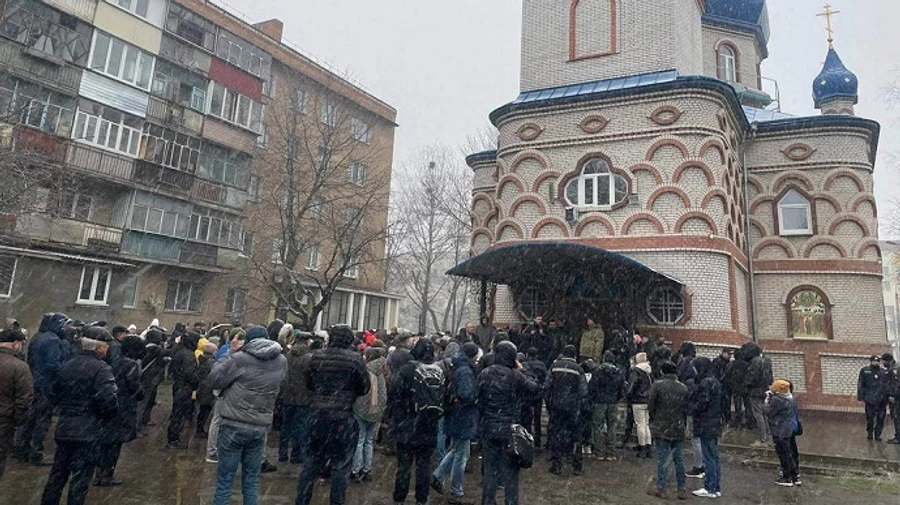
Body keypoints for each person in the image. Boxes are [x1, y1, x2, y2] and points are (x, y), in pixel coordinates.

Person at [208, 324, 286, 505]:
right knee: (251, 480)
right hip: (260, 426)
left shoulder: (240, 359)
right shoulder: (281, 361)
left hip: (234, 423)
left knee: (225, 480)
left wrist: (230, 353)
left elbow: (214, 379)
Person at [40, 327, 118, 505]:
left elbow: (53, 393)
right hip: (89, 432)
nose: (108, 349)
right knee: (81, 480)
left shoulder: (67, 365)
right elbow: (109, 400)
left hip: (65, 428)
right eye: (106, 345)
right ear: (98, 347)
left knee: (57, 475)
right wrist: (106, 417)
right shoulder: (102, 369)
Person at [295, 325, 370, 505]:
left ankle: (302, 501)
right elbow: (364, 387)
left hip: (317, 416)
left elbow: (309, 383)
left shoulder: (316, 357)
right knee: (341, 466)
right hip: (342, 418)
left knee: (310, 464)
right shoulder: (355, 360)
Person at [477, 341, 541, 505]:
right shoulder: (515, 375)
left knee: (490, 471)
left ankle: (488, 502)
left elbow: (479, 399)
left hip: (489, 427)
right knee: (511, 472)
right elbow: (534, 388)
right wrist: (522, 369)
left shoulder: (484, 373)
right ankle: (510, 502)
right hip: (509, 430)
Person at [390, 338, 442, 505]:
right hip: (429, 423)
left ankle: (400, 498)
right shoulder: (439, 370)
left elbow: (394, 393)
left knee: (404, 464)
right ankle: (422, 498)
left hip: (407, 422)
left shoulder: (407, 370)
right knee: (424, 464)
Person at [18, 312, 70, 466]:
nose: (66, 329)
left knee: (31, 418)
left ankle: (23, 448)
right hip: (47, 385)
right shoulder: (53, 340)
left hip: (35, 381)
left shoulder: (38, 337)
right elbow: (54, 365)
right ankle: (36, 453)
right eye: (64, 325)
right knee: (42, 420)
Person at [432, 342, 479, 504]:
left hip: (456, 413)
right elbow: (466, 394)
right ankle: (456, 490)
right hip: (464, 415)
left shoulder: (457, 366)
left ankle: (438, 476)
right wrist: (476, 397)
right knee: (461, 455)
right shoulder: (466, 370)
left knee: (457, 449)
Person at [94, 334, 144, 486]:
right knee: (115, 442)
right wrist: (140, 393)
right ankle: (107, 474)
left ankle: (99, 471)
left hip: (108, 403)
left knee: (104, 440)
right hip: (123, 405)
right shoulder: (131, 365)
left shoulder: (110, 361)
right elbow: (134, 386)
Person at [647, 361, 689, 500]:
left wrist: (653, 420)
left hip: (662, 427)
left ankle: (661, 487)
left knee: (663, 459)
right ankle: (681, 489)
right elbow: (685, 409)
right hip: (677, 427)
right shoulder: (683, 388)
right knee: (679, 459)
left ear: (663, 372)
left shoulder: (657, 386)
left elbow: (651, 406)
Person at [545, 345, 588, 476]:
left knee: (556, 433)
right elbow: (583, 391)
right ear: (575, 355)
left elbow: (547, 386)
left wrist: (549, 404)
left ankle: (556, 465)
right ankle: (577, 466)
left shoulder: (554, 366)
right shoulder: (579, 369)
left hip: (557, 405)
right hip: (573, 407)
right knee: (576, 436)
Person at [351, 343, 387, 482]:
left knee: (359, 440)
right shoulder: (382, 371)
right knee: (369, 440)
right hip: (376, 411)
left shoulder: (367, 369)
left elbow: (362, 390)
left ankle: (356, 470)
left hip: (362, 409)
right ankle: (367, 469)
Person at [688, 357, 723, 498]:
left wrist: (692, 408)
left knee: (708, 456)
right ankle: (715, 487)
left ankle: (710, 488)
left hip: (706, 423)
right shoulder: (714, 381)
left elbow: (702, 404)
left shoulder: (705, 383)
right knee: (714, 457)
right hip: (714, 422)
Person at [0, 328, 31, 480]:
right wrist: (18, 421)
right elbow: (24, 399)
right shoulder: (19, 367)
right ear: (15, 344)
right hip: (4, 421)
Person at [280, 331, 313, 464]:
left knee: (286, 425)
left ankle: (282, 453)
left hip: (288, 395)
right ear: (306, 341)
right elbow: (311, 378)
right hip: (303, 397)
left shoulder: (287, 356)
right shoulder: (309, 358)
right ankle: (296, 454)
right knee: (300, 427)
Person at [166, 331, 201, 449]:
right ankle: (173, 438)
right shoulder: (188, 354)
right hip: (184, 387)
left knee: (177, 411)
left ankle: (173, 437)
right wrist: (196, 383)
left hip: (179, 385)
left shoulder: (180, 351)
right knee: (179, 413)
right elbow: (189, 373)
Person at [588, 350, 623, 461]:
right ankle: (611, 452)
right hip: (613, 402)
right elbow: (621, 388)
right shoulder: (618, 372)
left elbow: (592, 387)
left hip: (599, 402)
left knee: (597, 426)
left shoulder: (598, 371)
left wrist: (593, 398)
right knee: (612, 427)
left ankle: (599, 451)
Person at [766, 379, 800, 486]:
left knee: (783, 455)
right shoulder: (790, 399)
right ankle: (795, 476)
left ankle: (787, 478)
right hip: (788, 429)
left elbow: (768, 412)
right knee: (789, 453)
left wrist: (767, 400)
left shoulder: (777, 400)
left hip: (778, 430)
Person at [137, 328, 166, 434]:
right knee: (143, 403)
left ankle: (142, 422)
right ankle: (138, 426)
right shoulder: (155, 349)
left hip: (145, 377)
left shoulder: (143, 346)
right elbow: (165, 354)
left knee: (146, 402)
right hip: (149, 379)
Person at [744, 342, 773, 447]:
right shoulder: (767, 361)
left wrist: (746, 385)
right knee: (765, 413)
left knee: (758, 414)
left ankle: (763, 439)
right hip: (765, 390)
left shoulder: (754, 362)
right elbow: (770, 379)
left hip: (755, 391)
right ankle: (768, 436)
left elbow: (751, 378)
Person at [520, 347, 548, 451]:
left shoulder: (524, 365)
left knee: (527, 418)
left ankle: (527, 439)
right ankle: (538, 441)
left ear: (527, 355)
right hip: (538, 394)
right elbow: (545, 378)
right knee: (537, 418)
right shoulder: (542, 365)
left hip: (528, 394)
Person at [627, 352, 653, 458]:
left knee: (640, 425)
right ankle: (648, 447)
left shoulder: (635, 371)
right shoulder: (649, 371)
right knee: (646, 424)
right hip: (647, 400)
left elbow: (632, 385)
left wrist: (628, 395)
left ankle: (641, 447)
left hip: (638, 400)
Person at [857, 354, 888, 441]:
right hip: (870, 399)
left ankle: (877, 434)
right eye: (874, 361)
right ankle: (870, 433)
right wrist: (861, 396)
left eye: (878, 361)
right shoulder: (865, 370)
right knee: (870, 418)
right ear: (871, 361)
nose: (876, 362)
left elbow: (886, 385)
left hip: (881, 400)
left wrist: (887, 396)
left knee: (881, 418)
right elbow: (861, 383)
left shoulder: (883, 372)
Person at [196, 342, 218, 438]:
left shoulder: (202, 359)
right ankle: (200, 430)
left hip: (202, 386)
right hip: (208, 388)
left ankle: (199, 428)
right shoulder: (211, 362)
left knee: (202, 409)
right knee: (205, 409)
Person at [711, 348, 733, 426]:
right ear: (724, 353)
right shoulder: (717, 361)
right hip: (720, 386)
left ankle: (727, 420)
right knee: (720, 404)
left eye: (731, 354)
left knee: (727, 405)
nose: (730, 356)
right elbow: (715, 374)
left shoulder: (728, 363)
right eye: (729, 354)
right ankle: (721, 420)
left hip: (727, 387)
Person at [883, 354, 900, 444]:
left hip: (896, 399)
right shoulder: (893, 367)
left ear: (886, 360)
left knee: (897, 417)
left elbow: (896, 384)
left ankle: (898, 437)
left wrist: (893, 395)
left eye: (883, 361)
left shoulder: (894, 369)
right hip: (896, 398)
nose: (882, 363)